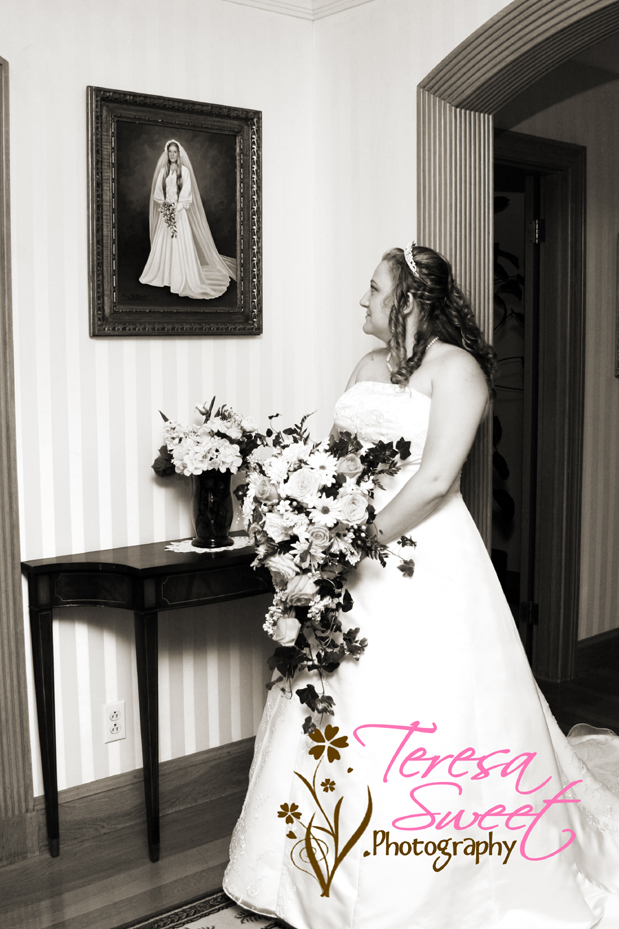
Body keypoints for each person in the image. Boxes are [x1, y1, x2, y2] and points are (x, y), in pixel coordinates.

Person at [223, 244, 619, 928]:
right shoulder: (365, 367)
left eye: (374, 289)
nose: (363, 299)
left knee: (428, 703)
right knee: (330, 695)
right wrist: (307, 519)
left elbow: (435, 479)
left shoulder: (456, 369)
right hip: (348, 548)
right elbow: (339, 462)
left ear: (406, 299)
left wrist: (354, 540)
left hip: (422, 555)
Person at [139, 139, 236, 300]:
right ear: (167, 153)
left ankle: (180, 276)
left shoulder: (184, 171)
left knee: (179, 241)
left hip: (179, 212)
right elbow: (157, 193)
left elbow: (186, 195)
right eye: (170, 152)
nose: (172, 155)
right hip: (167, 213)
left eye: (174, 152)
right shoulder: (163, 171)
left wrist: (176, 208)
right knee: (165, 242)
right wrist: (166, 207)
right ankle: (165, 275)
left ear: (179, 154)